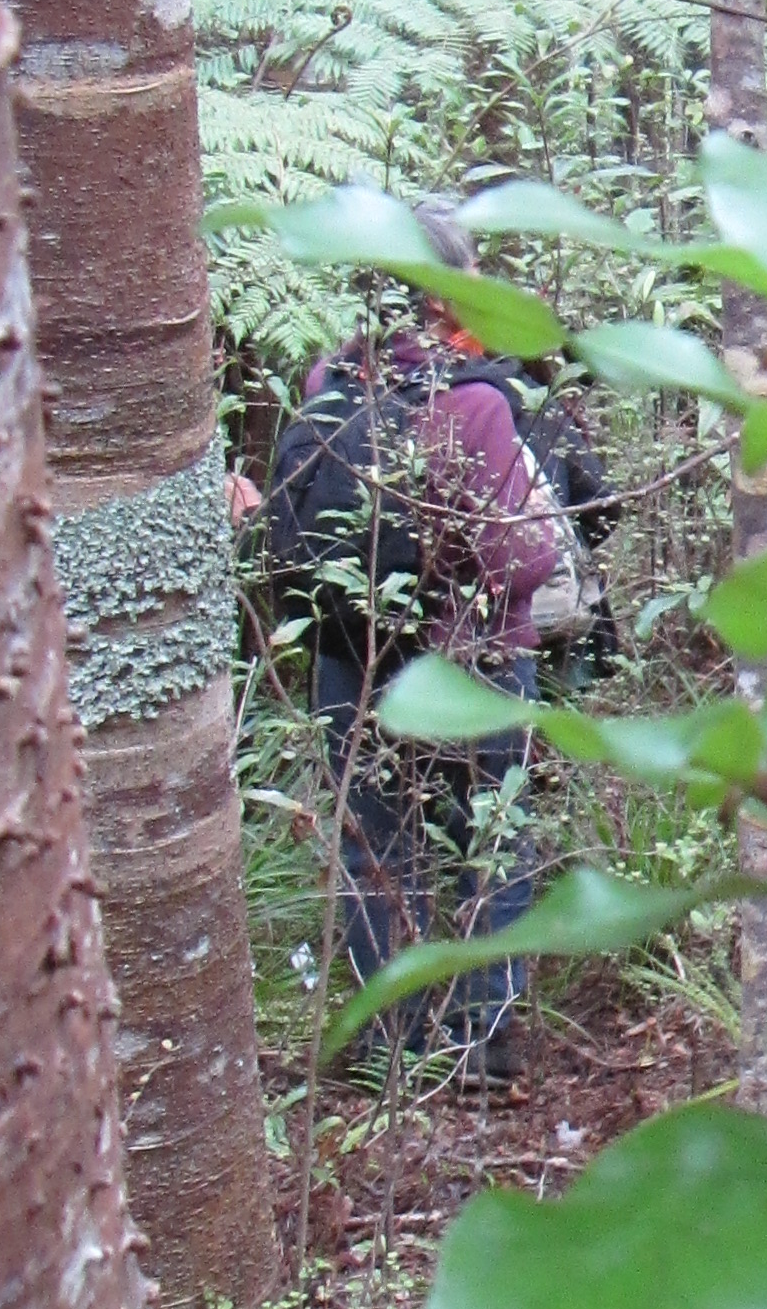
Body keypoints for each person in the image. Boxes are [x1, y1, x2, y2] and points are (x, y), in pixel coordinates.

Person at [260, 206, 610, 1072]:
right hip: (472, 660)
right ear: (448, 291)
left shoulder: (327, 384)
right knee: (493, 835)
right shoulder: (475, 400)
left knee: (375, 848)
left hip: (349, 660)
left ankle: (391, 1039)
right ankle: (483, 1041)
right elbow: (519, 559)